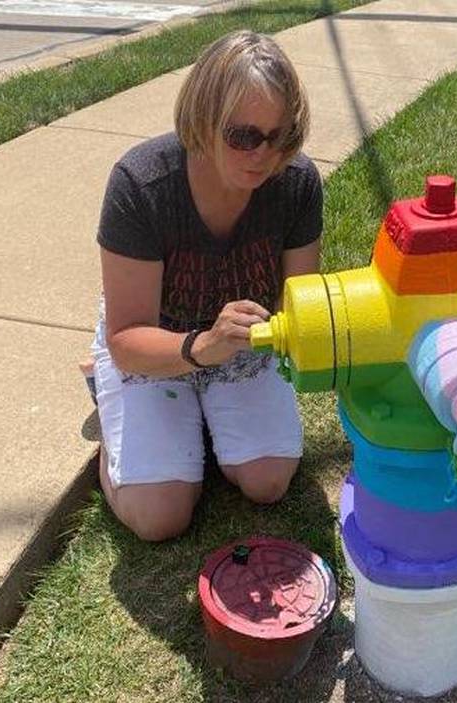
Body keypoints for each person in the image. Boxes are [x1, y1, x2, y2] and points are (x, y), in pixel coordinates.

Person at [89, 30, 322, 541]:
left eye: (279, 136)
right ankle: (112, 407)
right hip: (157, 343)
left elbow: (298, 301)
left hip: (248, 344)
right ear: (203, 119)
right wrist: (202, 347)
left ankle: (188, 428)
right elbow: (130, 335)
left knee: (267, 482)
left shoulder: (297, 183)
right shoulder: (141, 185)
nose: (262, 154)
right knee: (160, 516)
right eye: (243, 135)